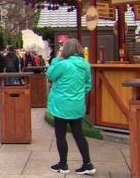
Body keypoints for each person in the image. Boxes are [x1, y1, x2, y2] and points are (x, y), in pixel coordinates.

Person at [46, 38, 96, 175]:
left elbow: (50, 75)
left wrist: (57, 58)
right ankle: (87, 164)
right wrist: (78, 95)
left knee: (60, 135)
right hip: (77, 105)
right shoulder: (85, 65)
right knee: (79, 135)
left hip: (61, 105)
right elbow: (88, 85)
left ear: (66, 50)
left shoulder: (63, 64)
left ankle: (63, 164)